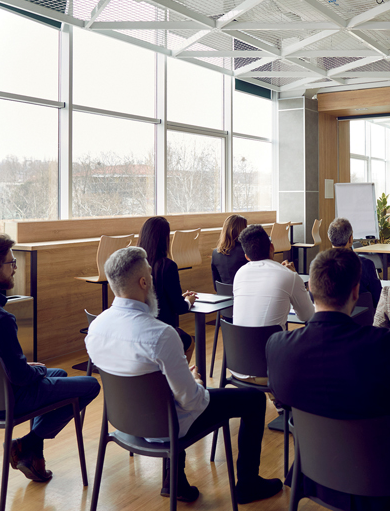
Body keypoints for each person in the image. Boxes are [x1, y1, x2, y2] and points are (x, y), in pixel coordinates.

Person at [86, 247, 283, 504]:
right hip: (165, 426)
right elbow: (193, 402)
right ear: (143, 282)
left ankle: (175, 481)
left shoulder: (96, 327)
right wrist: (196, 383)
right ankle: (247, 483)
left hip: (124, 424)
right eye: (150, 277)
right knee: (253, 400)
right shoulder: (160, 334)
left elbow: (138, 377)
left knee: (171, 395)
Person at [266, 248, 390, 511]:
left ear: (310, 290)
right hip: (383, 486)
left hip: (315, 475)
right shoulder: (388, 346)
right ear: (356, 291)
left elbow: (284, 403)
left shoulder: (277, 347)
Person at [0, 233, 100, 483]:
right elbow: (21, 376)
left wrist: (30, 369)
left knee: (58, 374)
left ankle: (31, 455)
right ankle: (29, 443)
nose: (15, 269)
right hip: (7, 402)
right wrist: (35, 369)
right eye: (11, 262)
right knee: (90, 385)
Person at [233, 224, 315, 330]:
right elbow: (307, 315)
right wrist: (295, 276)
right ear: (272, 247)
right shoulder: (289, 275)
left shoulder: (240, 274)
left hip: (237, 344)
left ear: (247, 257)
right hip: (272, 345)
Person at [138, 216, 196, 361]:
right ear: (164, 239)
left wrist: (178, 296)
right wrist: (188, 300)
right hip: (162, 332)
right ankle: (176, 381)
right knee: (189, 341)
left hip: (139, 331)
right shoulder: (167, 266)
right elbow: (180, 308)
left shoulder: (136, 264)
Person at [327, 217, 382, 308]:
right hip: (362, 320)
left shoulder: (317, 265)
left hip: (329, 320)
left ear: (329, 237)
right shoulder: (366, 265)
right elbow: (378, 298)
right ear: (351, 239)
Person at [211, 214, 249, 286]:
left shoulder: (215, 253)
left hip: (223, 294)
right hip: (245, 293)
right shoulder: (247, 252)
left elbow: (216, 285)